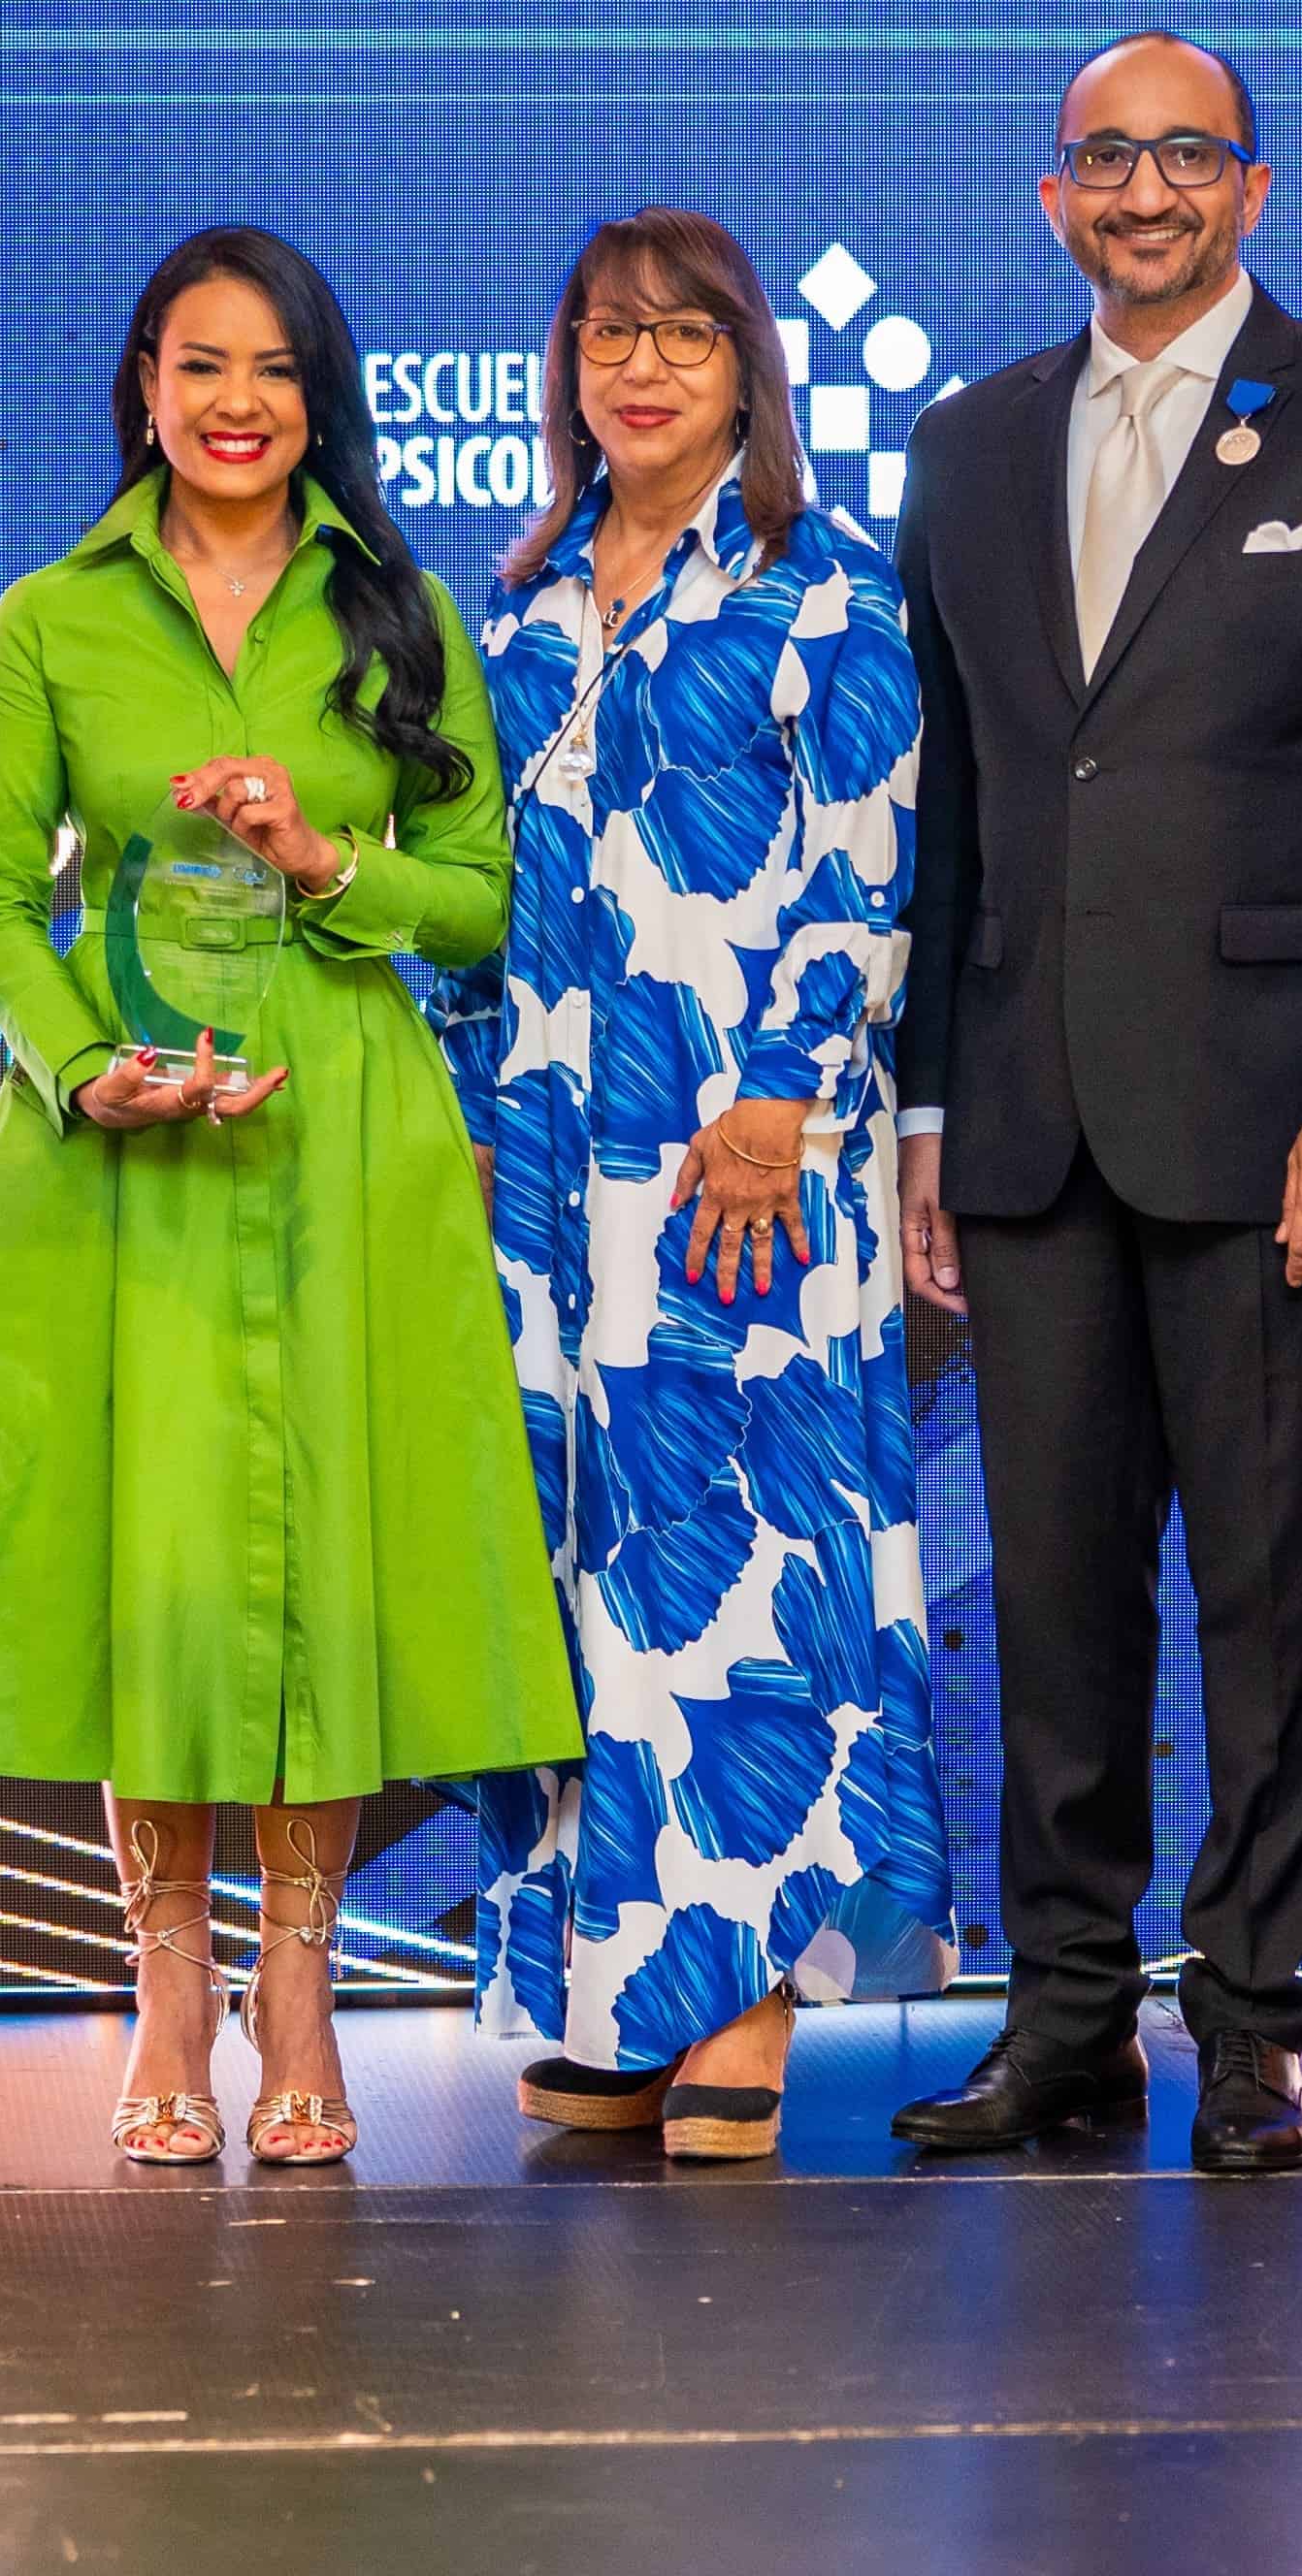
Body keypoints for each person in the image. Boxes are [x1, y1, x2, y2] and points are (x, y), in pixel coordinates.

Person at [886, 30, 1302, 2173]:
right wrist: (920, 1123)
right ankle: (1061, 2018)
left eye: (1184, 154)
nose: (1142, 190)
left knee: (1269, 1587)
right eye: (1101, 159)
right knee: (1053, 1598)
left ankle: (1250, 2020)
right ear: (1045, 195)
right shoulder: (966, 446)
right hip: (1027, 1120)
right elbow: (957, 813)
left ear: (1252, 186)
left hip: (1276, 1131)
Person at [0, 225, 580, 2168]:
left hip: (342, 1125)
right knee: (161, 1568)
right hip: (118, 1141)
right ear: (140, 389)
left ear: (317, 399)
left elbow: (478, 896)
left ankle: (302, 1997)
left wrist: (319, 854)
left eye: (271, 370)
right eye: (197, 366)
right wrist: (75, 1058)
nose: (234, 405)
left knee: (324, 1565)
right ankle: (162, 1994)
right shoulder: (51, 617)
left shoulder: (398, 612)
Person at [434, 209, 953, 2167]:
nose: (639, 367)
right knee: (580, 1576)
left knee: (747, 1580)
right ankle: (609, 2001)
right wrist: (466, 1079)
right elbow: (483, 884)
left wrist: (775, 1101)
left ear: (748, 367)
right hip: (549, 1186)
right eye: (604, 336)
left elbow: (868, 866)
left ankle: (744, 1996)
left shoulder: (825, 589)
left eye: (681, 336)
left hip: (744, 1164)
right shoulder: (522, 603)